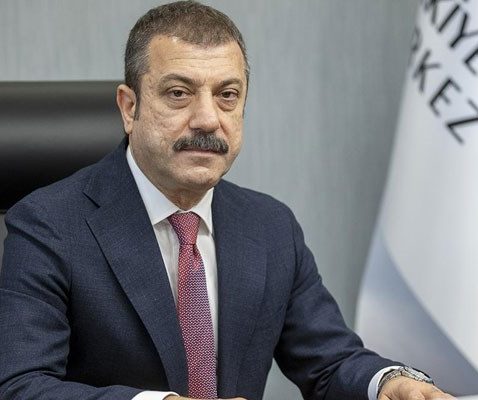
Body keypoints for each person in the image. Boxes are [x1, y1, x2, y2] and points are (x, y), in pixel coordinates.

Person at [0, 2, 455, 400]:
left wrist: (390, 383)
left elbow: (330, 361)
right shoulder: (48, 225)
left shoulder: (270, 226)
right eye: (179, 94)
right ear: (129, 107)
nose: (207, 119)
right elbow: (22, 385)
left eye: (227, 96)